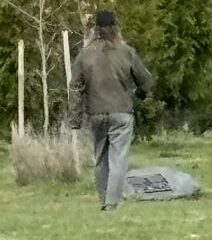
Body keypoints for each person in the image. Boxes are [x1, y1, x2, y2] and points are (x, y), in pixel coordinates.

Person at [69, 11, 154, 211]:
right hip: (121, 112)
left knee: (100, 158)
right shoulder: (126, 52)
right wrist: (141, 94)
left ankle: (102, 200)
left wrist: (75, 118)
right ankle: (111, 203)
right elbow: (146, 80)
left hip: (96, 113)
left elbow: (75, 88)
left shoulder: (84, 55)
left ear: (95, 30)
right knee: (118, 158)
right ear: (116, 28)